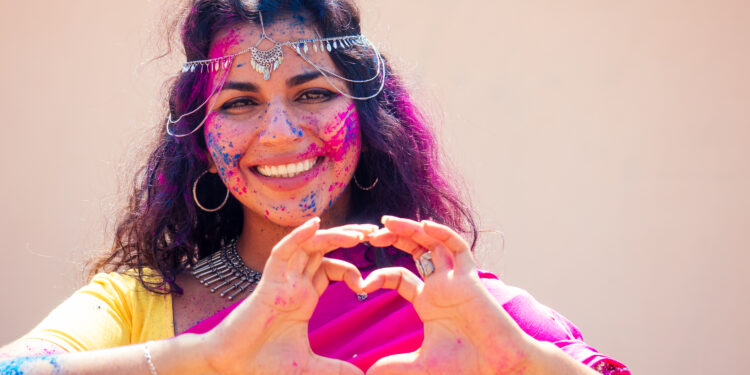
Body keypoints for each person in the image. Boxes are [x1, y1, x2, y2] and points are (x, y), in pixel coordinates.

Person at [0, 1, 630, 374]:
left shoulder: (453, 308)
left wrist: (519, 361)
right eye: (240, 103)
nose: (279, 132)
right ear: (199, 141)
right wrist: (215, 355)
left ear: (370, 119)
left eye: (314, 94)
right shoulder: (136, 304)